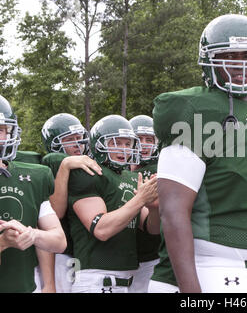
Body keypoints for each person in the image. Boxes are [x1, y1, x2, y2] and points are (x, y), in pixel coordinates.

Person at [153, 14, 247, 293]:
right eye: (229, 55)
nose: (241, 64)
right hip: (225, 269)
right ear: (209, 61)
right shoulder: (194, 110)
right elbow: (173, 213)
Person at [67, 115, 159, 293]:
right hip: (96, 279)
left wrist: (154, 208)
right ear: (99, 144)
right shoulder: (88, 173)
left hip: (129, 281)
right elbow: (101, 229)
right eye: (116, 142)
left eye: (127, 144)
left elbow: (151, 228)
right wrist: (140, 199)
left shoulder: (131, 177)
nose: (123, 149)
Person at [0, 94, 66, 293]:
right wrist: (3, 242)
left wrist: (32, 234)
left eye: (1, 130)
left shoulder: (33, 177)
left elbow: (59, 240)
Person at [41, 113, 102, 293]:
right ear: (54, 143)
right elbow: (56, 212)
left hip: (79, 255)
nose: (77, 143)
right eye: (69, 139)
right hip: (60, 255)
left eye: (79, 137)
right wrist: (66, 164)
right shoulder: (53, 160)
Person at [128, 115, 161, 293]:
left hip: (152, 256)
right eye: (139, 139)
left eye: (149, 139)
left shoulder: (161, 169)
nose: (144, 144)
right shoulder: (115, 171)